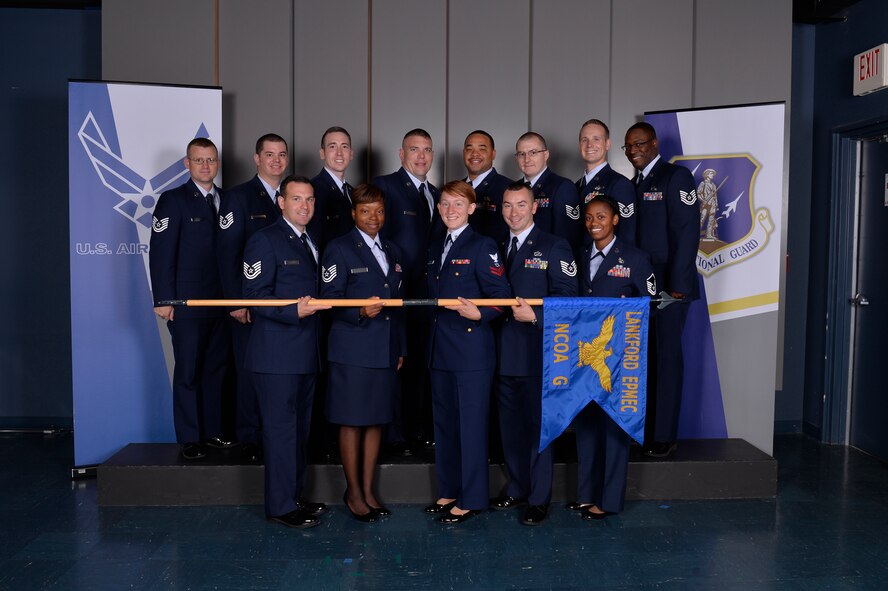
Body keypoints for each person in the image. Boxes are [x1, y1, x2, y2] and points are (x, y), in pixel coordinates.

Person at [242, 175, 331, 528]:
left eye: (309, 200)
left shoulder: (311, 240)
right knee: (280, 432)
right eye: (296, 199)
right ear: (281, 202)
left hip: (306, 354)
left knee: (298, 433)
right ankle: (280, 506)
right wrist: (293, 311)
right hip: (276, 356)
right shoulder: (264, 241)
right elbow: (254, 298)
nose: (304, 206)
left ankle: (294, 496)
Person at [424, 180, 512, 525]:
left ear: (472, 209)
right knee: (445, 424)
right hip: (440, 348)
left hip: (471, 348)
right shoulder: (436, 246)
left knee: (472, 426)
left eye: (458, 205)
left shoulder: (482, 245)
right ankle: (448, 490)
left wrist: (482, 313)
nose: (450, 210)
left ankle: (473, 498)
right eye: (445, 204)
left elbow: (501, 294)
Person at [492, 181, 578, 526]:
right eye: (508, 206)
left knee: (538, 428)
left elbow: (570, 300)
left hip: (538, 352)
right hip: (501, 352)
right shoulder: (496, 247)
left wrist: (538, 317)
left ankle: (539, 498)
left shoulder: (555, 246)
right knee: (509, 428)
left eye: (521, 205)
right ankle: (518, 486)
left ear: (534, 208)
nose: (514, 212)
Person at [320, 184, 406, 523]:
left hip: (385, 349)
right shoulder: (338, 249)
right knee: (352, 421)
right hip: (352, 349)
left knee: (376, 421)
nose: (374, 217)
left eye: (380, 211)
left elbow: (399, 307)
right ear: (354, 213)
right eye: (366, 211)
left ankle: (368, 489)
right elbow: (328, 297)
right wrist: (357, 311)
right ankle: (353, 491)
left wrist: (400, 348)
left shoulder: (394, 251)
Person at [572, 195, 656, 520]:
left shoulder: (635, 258)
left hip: (620, 357)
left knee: (614, 427)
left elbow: (649, 306)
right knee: (587, 424)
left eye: (602, 216)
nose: (594, 223)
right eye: (590, 217)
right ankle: (586, 493)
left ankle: (609, 500)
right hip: (585, 356)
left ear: (615, 219)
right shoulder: (578, 256)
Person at [150, 137, 233, 461]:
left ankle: (212, 431)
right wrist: (164, 298)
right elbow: (160, 254)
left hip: (220, 303)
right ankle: (190, 437)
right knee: (188, 371)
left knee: (216, 369)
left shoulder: (225, 200)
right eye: (198, 160)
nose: (205, 166)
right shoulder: (173, 201)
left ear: (217, 163)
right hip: (186, 303)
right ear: (187, 164)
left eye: (210, 160)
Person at [623, 122, 699, 458]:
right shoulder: (630, 185)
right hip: (639, 287)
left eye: (640, 144)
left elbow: (686, 234)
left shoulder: (675, 177)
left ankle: (664, 435)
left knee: (666, 359)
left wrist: (678, 289)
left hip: (669, 288)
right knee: (641, 360)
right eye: (629, 147)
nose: (635, 150)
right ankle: (643, 429)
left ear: (654, 143)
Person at [217, 133, 289, 463]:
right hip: (249, 303)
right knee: (249, 372)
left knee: (277, 372)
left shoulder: (293, 197)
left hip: (284, 305)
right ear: (256, 158)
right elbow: (227, 253)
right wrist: (236, 301)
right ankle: (249, 436)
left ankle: (272, 436)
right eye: (269, 154)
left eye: (281, 155)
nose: (276, 160)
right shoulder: (239, 197)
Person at [374, 128, 443, 453]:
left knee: (422, 365)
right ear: (401, 154)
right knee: (397, 365)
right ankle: (395, 435)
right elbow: (377, 242)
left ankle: (418, 429)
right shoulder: (386, 187)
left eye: (427, 150)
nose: (421, 156)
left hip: (430, 296)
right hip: (397, 294)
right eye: (414, 149)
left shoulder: (437, 193)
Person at [514, 132, 582, 250]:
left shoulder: (562, 187)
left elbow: (567, 239)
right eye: (521, 154)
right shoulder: (513, 189)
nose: (527, 159)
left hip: (546, 262)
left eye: (533, 153)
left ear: (546, 155)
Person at [577, 119, 637, 244]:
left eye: (596, 139)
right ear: (579, 145)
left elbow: (626, 235)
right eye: (585, 140)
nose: (589, 145)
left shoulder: (620, 184)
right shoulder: (575, 186)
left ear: (607, 144)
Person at [460, 130, 512, 242]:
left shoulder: (510, 188)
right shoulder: (454, 189)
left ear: (493, 154)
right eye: (469, 149)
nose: (474, 154)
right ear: (464, 153)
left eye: (482, 149)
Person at [309, 126, 355, 248]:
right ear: (322, 153)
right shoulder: (312, 189)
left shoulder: (353, 192)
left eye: (344, 146)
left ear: (351, 154)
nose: (339, 153)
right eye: (332, 146)